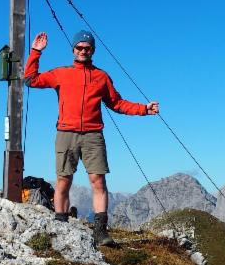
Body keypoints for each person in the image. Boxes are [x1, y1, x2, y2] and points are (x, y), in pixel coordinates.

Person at [23, 29, 159, 247]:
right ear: (73, 50)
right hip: (66, 132)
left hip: (93, 134)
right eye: (79, 48)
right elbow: (30, 80)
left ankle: (100, 232)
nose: (83, 51)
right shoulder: (62, 73)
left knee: (98, 181)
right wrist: (36, 51)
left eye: (87, 48)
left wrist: (144, 109)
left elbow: (117, 103)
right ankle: (60, 224)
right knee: (63, 180)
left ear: (92, 50)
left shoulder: (101, 77)